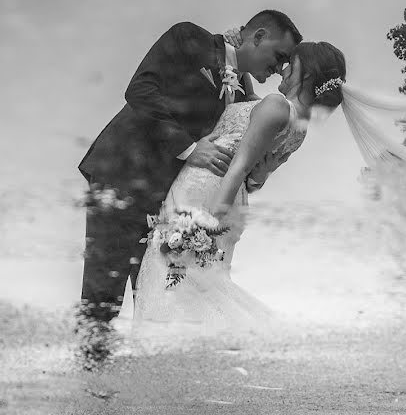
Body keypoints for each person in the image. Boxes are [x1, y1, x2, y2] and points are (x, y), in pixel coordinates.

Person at [76, 10, 301, 355]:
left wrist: (263, 171)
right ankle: (89, 386)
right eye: (279, 56)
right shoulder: (188, 39)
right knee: (101, 298)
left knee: (158, 298)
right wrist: (189, 148)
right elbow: (140, 91)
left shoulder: (243, 95)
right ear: (257, 36)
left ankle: (146, 394)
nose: (278, 69)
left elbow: (235, 158)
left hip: (167, 205)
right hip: (119, 180)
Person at [132, 41, 347, 332]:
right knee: (193, 283)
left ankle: (169, 349)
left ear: (307, 74)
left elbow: (240, 167)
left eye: (291, 63)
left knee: (171, 273)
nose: (282, 70)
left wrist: (209, 220)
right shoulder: (299, 128)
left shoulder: (275, 105)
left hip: (209, 189)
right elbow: (255, 180)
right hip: (233, 199)